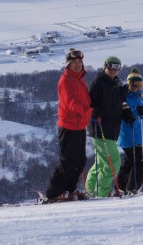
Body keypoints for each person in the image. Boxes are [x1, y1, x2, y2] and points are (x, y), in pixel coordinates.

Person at [44, 48, 92, 203]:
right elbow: (71, 103)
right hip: (69, 125)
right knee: (68, 160)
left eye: (79, 62)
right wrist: (87, 111)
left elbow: (85, 100)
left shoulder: (79, 79)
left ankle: (70, 189)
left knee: (80, 160)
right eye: (74, 62)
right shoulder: (65, 80)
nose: (78, 65)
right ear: (68, 64)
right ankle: (53, 193)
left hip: (79, 125)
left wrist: (89, 111)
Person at [85, 56, 134, 197]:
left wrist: (126, 112)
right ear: (105, 66)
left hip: (112, 128)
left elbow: (121, 102)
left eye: (117, 67)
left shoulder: (117, 83)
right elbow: (89, 102)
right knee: (113, 162)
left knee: (102, 162)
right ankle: (102, 192)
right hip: (99, 127)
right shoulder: (99, 81)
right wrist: (95, 112)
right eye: (112, 66)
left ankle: (90, 188)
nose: (114, 70)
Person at [116, 68, 143, 194]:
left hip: (137, 134)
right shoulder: (124, 97)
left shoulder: (138, 97)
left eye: (139, 85)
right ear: (129, 84)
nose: (136, 88)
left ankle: (120, 188)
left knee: (129, 163)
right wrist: (137, 111)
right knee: (141, 163)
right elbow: (124, 113)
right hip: (128, 135)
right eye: (134, 85)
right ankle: (132, 188)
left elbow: (139, 115)